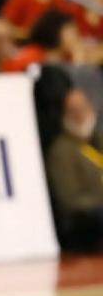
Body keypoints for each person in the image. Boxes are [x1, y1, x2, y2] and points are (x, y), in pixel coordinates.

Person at [46, 87, 103, 251]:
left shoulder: (100, 140)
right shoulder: (61, 150)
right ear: (64, 115)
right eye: (73, 111)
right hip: (85, 219)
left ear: (92, 108)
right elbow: (69, 199)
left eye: (82, 108)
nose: (79, 115)